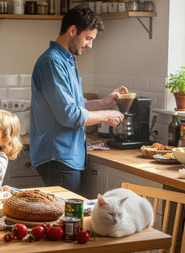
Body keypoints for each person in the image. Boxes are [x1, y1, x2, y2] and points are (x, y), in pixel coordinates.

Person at [30, 7, 128, 195]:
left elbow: (75, 104)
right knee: (66, 220)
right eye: (88, 38)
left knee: (67, 219)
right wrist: (106, 116)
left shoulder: (67, 60)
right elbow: (69, 115)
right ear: (72, 30)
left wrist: (104, 102)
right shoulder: (52, 63)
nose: (90, 45)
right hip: (58, 156)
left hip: (67, 155)